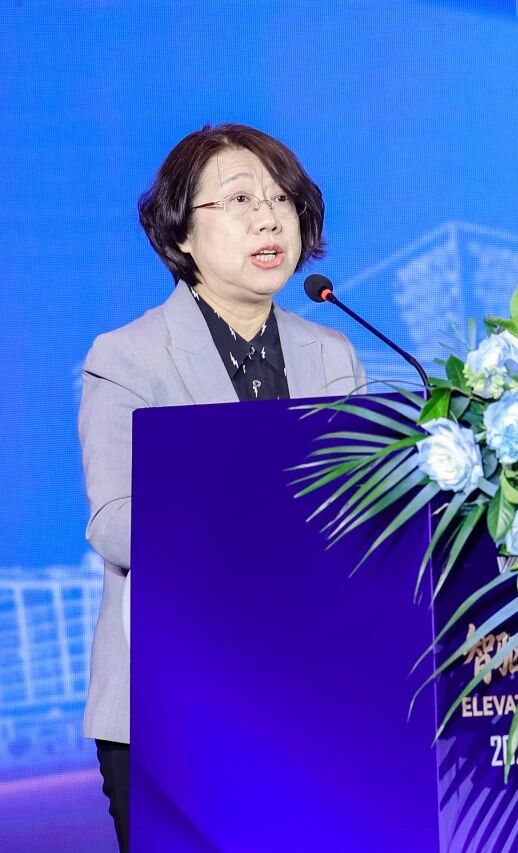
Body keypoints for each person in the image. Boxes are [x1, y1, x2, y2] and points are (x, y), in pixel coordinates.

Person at [77, 124, 366, 852]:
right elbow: (113, 522)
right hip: (178, 706)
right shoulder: (130, 357)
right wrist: (249, 523)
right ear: (181, 231)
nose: (269, 219)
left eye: (281, 200)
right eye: (239, 200)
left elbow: (361, 514)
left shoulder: (332, 354)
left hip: (311, 699)